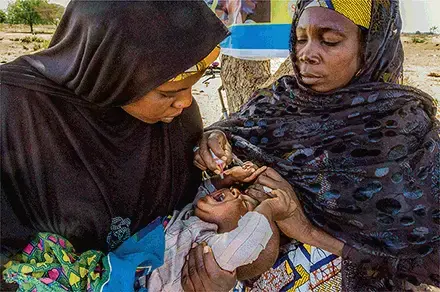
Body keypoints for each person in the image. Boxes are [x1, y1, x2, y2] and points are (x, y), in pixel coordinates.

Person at [194, 0, 440, 290]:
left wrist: (308, 230)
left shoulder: (405, 131)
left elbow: (430, 264)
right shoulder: (275, 103)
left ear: (369, 46)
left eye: (330, 41)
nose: (306, 54)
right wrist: (215, 145)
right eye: (300, 39)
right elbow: (232, 135)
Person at [0, 0, 231, 290]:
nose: (186, 101)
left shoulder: (178, 118)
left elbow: (183, 218)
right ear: (112, 72)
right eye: (167, 92)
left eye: (191, 87)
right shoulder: (12, 111)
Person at [2, 162, 294, 291]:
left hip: (122, 288)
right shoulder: (194, 217)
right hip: (105, 271)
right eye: (237, 192)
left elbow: (250, 241)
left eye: (243, 203)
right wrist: (224, 180)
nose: (235, 194)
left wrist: (267, 209)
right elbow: (202, 192)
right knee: (47, 253)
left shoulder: (214, 252)